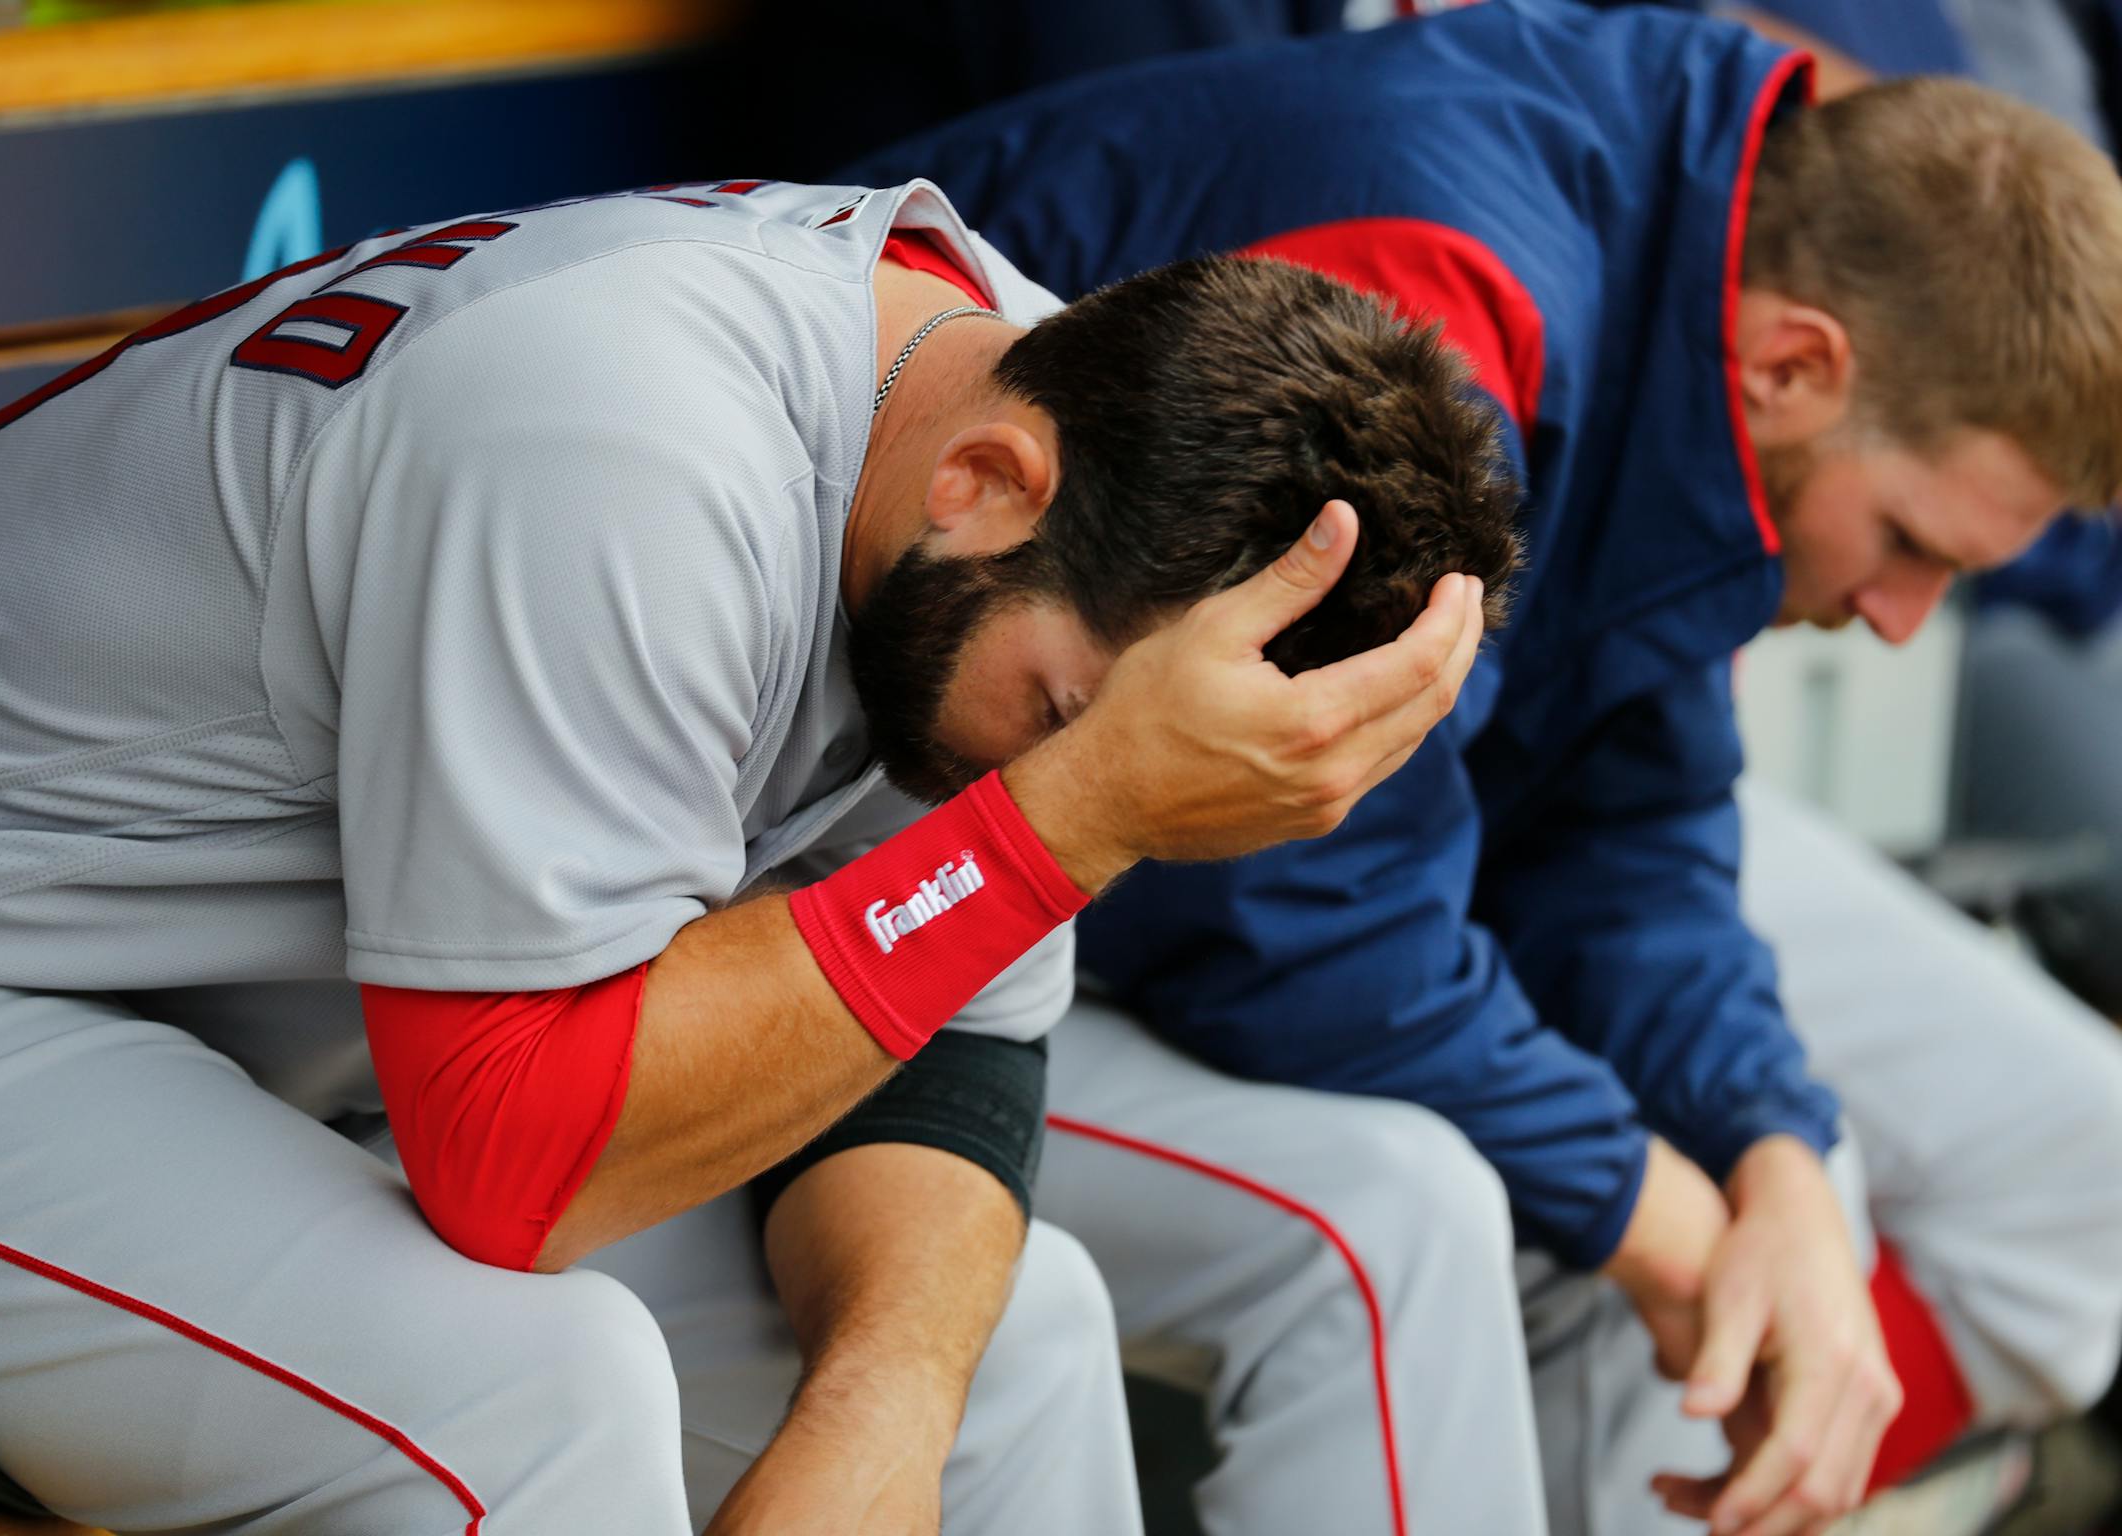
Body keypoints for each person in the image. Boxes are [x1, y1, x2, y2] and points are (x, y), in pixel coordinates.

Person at [0, 176, 1511, 1532]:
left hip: (242, 1017)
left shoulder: (1039, 436)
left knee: (993, 1346)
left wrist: (876, 1422)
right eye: (1060, 716)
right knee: (532, 1402)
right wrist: (1076, 817)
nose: (1055, 765)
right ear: (986, 485)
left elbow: (948, 1058)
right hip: (6, 983)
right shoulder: (624, 443)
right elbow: (520, 1163)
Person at [846, 7, 2122, 1534]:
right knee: (1478, 1225)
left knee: (1781, 1205)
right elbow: (1277, 891)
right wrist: (1644, 1198)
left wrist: (1766, 1141)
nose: (1908, 623)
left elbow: (1626, 814)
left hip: (1129, 861)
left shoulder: (1690, 261)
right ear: (1795, 362)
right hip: (843, 811)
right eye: (1910, 545)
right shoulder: (1448, 292)